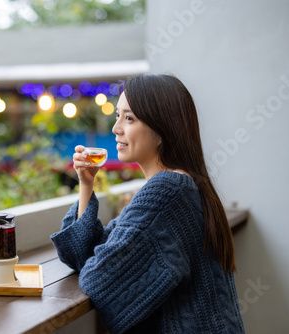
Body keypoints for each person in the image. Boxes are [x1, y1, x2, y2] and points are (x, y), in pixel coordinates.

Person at [51, 74, 245, 333]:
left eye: (129, 118)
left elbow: (99, 279)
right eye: (117, 115)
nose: (116, 128)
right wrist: (86, 185)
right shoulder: (180, 184)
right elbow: (84, 254)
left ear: (162, 129)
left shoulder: (168, 191)